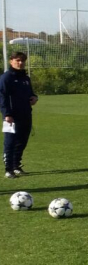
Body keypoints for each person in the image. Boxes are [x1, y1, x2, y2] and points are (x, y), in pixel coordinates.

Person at [1, 51, 37, 179]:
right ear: (11, 61)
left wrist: (34, 98)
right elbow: (2, 97)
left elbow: (31, 93)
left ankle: (16, 166)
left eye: (22, 61)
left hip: (26, 115)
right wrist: (7, 114)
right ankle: (8, 169)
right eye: (17, 60)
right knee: (10, 142)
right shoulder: (6, 78)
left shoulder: (25, 78)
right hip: (10, 117)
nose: (20, 63)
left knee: (22, 142)